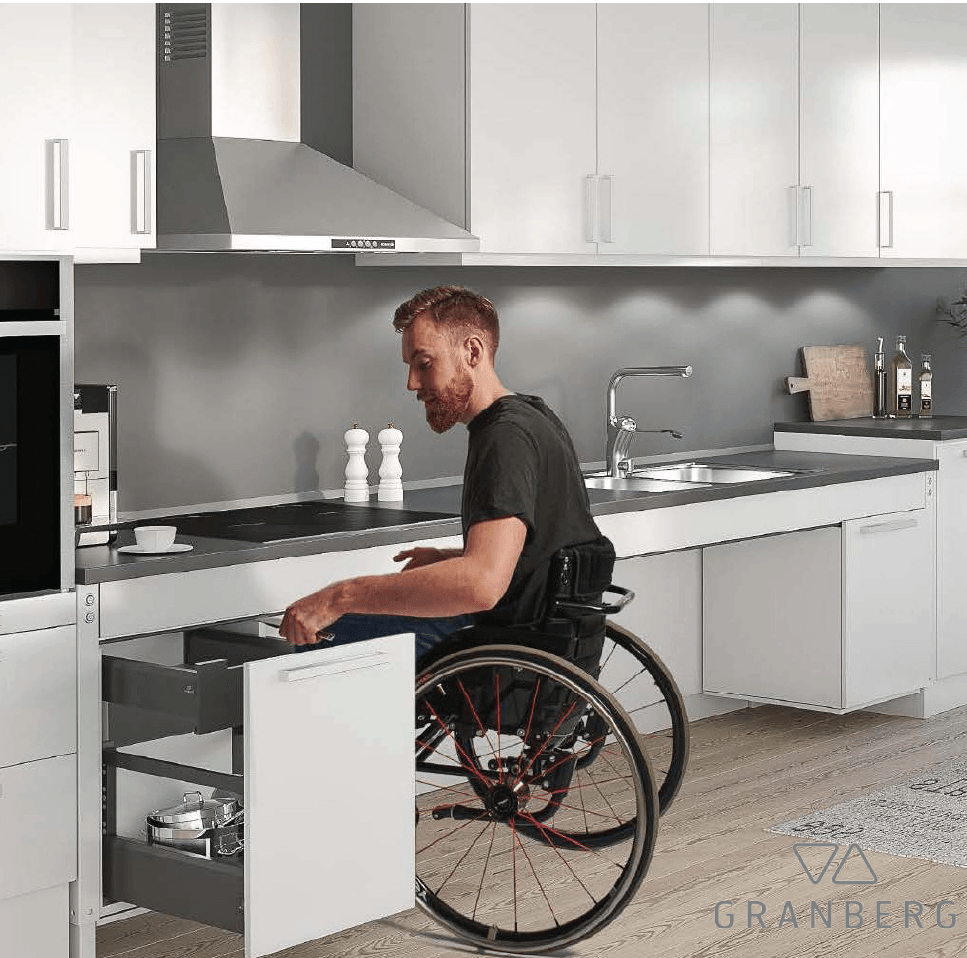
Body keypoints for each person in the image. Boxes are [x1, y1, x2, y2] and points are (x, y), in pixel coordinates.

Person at [277, 285, 603, 659]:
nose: (412, 383)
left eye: (424, 364)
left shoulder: (504, 437)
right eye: (410, 367)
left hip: (507, 654)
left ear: (473, 352)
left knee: (321, 636)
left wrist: (339, 596)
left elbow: (482, 585)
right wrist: (453, 560)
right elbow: (537, 558)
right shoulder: (533, 416)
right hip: (555, 644)